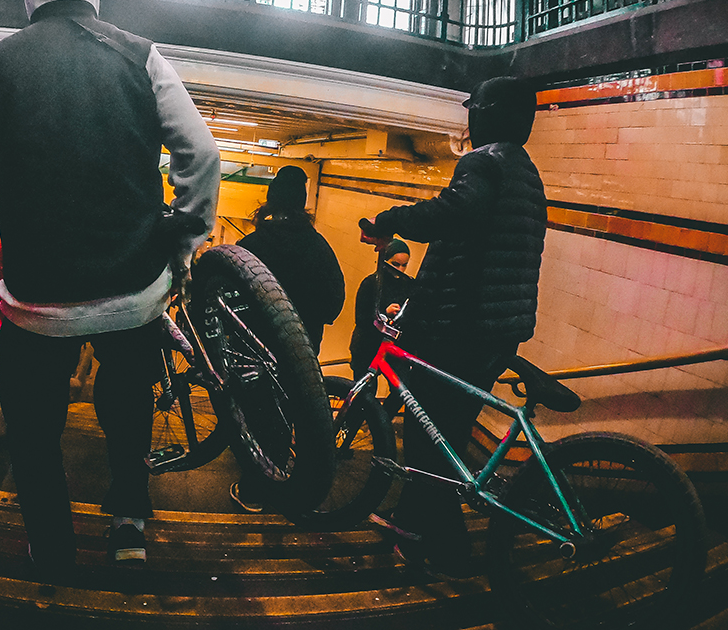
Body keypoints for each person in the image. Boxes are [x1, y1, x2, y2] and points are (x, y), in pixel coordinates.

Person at [0, 0, 220, 574]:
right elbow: (201, 155)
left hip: (35, 303)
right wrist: (183, 242)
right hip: (134, 290)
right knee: (127, 408)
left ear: (30, 1)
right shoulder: (138, 53)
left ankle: (52, 547)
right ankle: (127, 524)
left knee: (33, 430)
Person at [358, 75, 546, 578]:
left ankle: (447, 552)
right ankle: (416, 528)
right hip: (496, 328)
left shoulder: (484, 162)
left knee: (428, 441)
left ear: (487, 113)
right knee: (446, 438)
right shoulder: (526, 172)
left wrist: (395, 218)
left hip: (459, 329)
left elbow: (458, 211)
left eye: (475, 109)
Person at [231, 164, 344, 511]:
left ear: (269, 202)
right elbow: (333, 304)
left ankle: (255, 489)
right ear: (303, 203)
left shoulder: (249, 246)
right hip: (302, 352)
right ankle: (294, 480)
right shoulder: (319, 247)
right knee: (292, 413)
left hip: (252, 349)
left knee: (254, 413)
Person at [349, 238, 415, 379]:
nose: (400, 270)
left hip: (393, 346)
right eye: (395, 264)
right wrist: (385, 313)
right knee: (365, 393)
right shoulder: (371, 283)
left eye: (404, 265)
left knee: (402, 387)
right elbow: (361, 318)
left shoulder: (408, 284)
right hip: (368, 346)